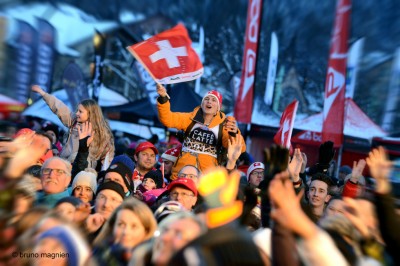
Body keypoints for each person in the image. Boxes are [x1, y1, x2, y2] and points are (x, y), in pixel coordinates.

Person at [156, 84, 246, 179]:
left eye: (213, 100)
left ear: (218, 107)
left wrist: (234, 133)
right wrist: (163, 99)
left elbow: (240, 148)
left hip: (206, 179)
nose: (209, 102)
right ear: (202, 103)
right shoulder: (190, 118)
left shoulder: (224, 126)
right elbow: (168, 119)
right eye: (206, 99)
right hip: (182, 173)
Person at [31, 85, 115, 170]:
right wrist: (43, 93)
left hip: (82, 172)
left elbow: (107, 158)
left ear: (90, 114)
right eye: (77, 110)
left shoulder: (102, 133)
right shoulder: (74, 121)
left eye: (80, 111)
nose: (77, 113)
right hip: (64, 165)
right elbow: (59, 107)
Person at [93, 198, 157, 265]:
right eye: (121, 224)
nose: (126, 232)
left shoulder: (155, 261)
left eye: (134, 226)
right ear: (113, 226)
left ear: (146, 231)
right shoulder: (97, 255)